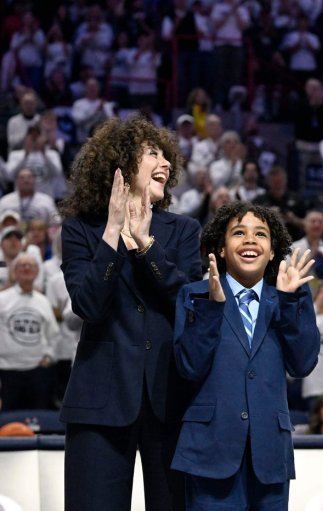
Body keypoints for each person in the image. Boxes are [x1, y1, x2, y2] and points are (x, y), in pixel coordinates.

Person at [59, 116, 202, 511]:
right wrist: (111, 232)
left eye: (166, 155)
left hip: (170, 400)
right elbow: (87, 304)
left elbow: (189, 304)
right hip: (98, 404)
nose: (167, 164)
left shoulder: (184, 231)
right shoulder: (81, 230)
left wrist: (145, 246)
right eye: (152, 153)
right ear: (120, 163)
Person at [172, 201, 320, 510]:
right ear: (222, 249)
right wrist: (212, 308)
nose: (250, 240)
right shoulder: (195, 294)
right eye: (239, 233)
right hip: (209, 451)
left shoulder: (290, 294)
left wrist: (288, 301)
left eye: (261, 235)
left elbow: (303, 363)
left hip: (270, 456)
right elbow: (188, 366)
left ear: (271, 251)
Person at [0, 253, 58, 410]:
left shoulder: (43, 301)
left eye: (31, 265)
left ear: (37, 271)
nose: (26, 268)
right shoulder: (2, 299)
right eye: (22, 265)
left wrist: (49, 357)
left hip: (37, 372)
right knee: (8, 424)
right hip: (7, 372)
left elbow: (53, 334)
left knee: (37, 420)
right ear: (14, 272)